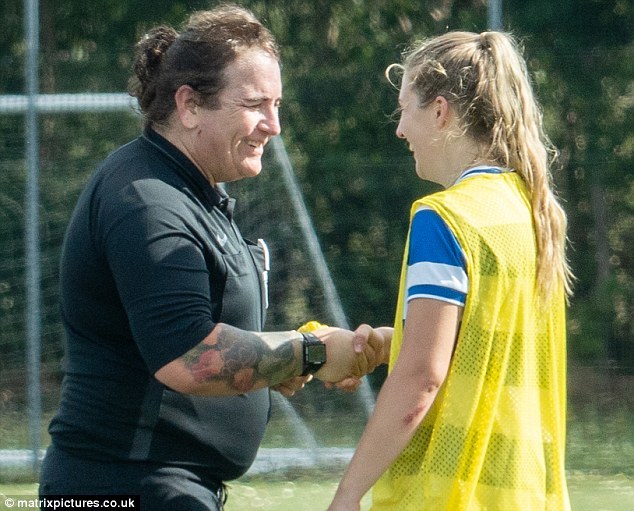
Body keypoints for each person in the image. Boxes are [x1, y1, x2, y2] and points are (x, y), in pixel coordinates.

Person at [39, 5, 383, 510]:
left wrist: (288, 360)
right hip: (127, 487)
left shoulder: (189, 191)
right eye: (255, 104)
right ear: (189, 105)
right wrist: (309, 351)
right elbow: (189, 358)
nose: (274, 125)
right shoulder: (147, 200)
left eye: (278, 104)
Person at [328, 30, 574, 511]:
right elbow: (481, 348)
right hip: (527, 495)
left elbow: (423, 374)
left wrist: (348, 492)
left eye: (404, 110)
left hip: (449, 493)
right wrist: (385, 345)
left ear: (440, 111)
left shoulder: (444, 218)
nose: (399, 129)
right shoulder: (532, 212)